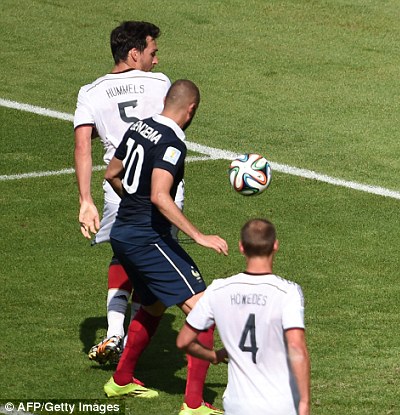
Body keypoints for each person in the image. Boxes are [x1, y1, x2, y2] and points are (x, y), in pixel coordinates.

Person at [103, 79, 228, 415]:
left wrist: (133, 202)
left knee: (154, 306)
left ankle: (121, 380)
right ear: (191, 110)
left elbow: (112, 172)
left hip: (123, 235)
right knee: (204, 311)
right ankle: (193, 404)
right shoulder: (172, 143)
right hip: (147, 238)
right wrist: (199, 235)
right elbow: (160, 195)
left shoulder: (139, 126)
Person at [74, 21, 182, 364]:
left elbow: (82, 146)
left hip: (117, 191)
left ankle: (114, 331)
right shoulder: (160, 83)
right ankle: (131, 351)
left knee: (123, 256)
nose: (157, 60)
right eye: (152, 52)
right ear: (134, 53)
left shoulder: (90, 92)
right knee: (153, 266)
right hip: (163, 191)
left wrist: (85, 200)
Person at [176, 219, 311, 415]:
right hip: (281, 404)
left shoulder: (218, 290)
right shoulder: (288, 292)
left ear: (241, 247)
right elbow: (297, 347)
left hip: (237, 404)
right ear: (275, 245)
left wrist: (213, 355)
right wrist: (305, 402)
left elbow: (184, 341)